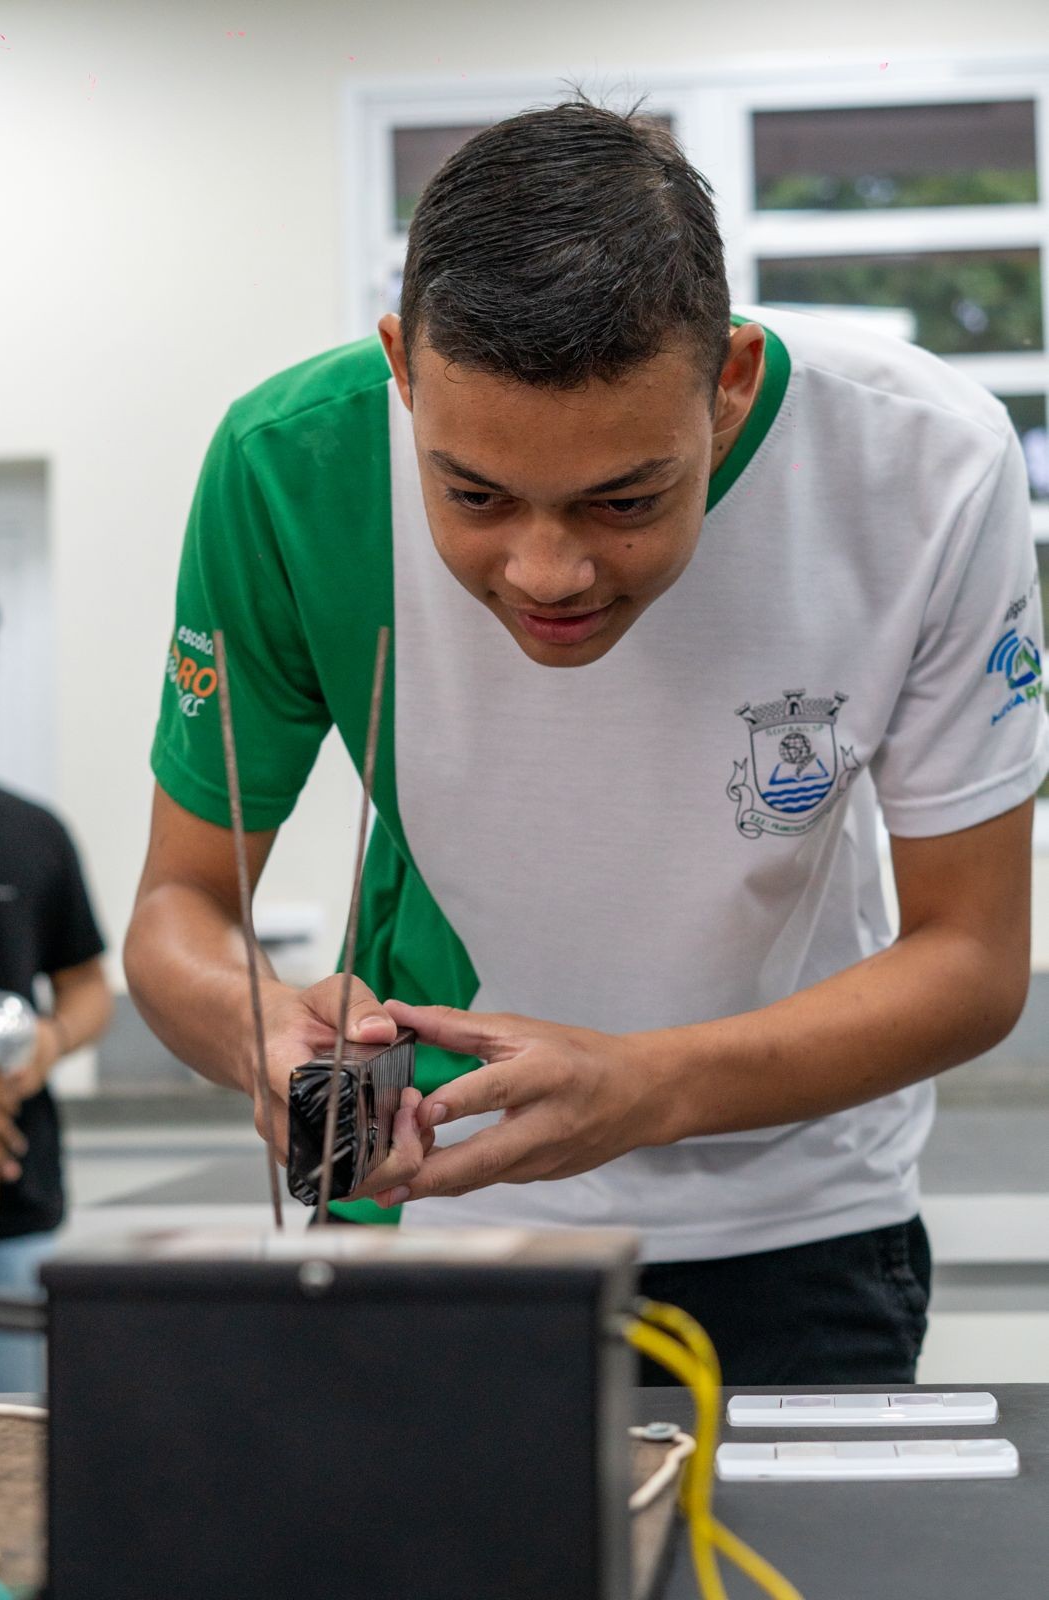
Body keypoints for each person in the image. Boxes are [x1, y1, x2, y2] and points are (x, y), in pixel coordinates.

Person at [125, 95, 1048, 1385]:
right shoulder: (289, 469)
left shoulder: (923, 465)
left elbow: (971, 957)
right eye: (474, 496)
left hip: (795, 1232)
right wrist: (258, 1026)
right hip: (430, 1221)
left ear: (726, 387)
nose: (547, 570)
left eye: (625, 499)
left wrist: (646, 1086)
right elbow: (177, 910)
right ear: (401, 366)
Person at [0, 582, 112, 1392]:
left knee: (16, 1448)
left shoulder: (32, 836)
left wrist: (42, 1048)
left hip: (14, 1208)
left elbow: (88, 987)